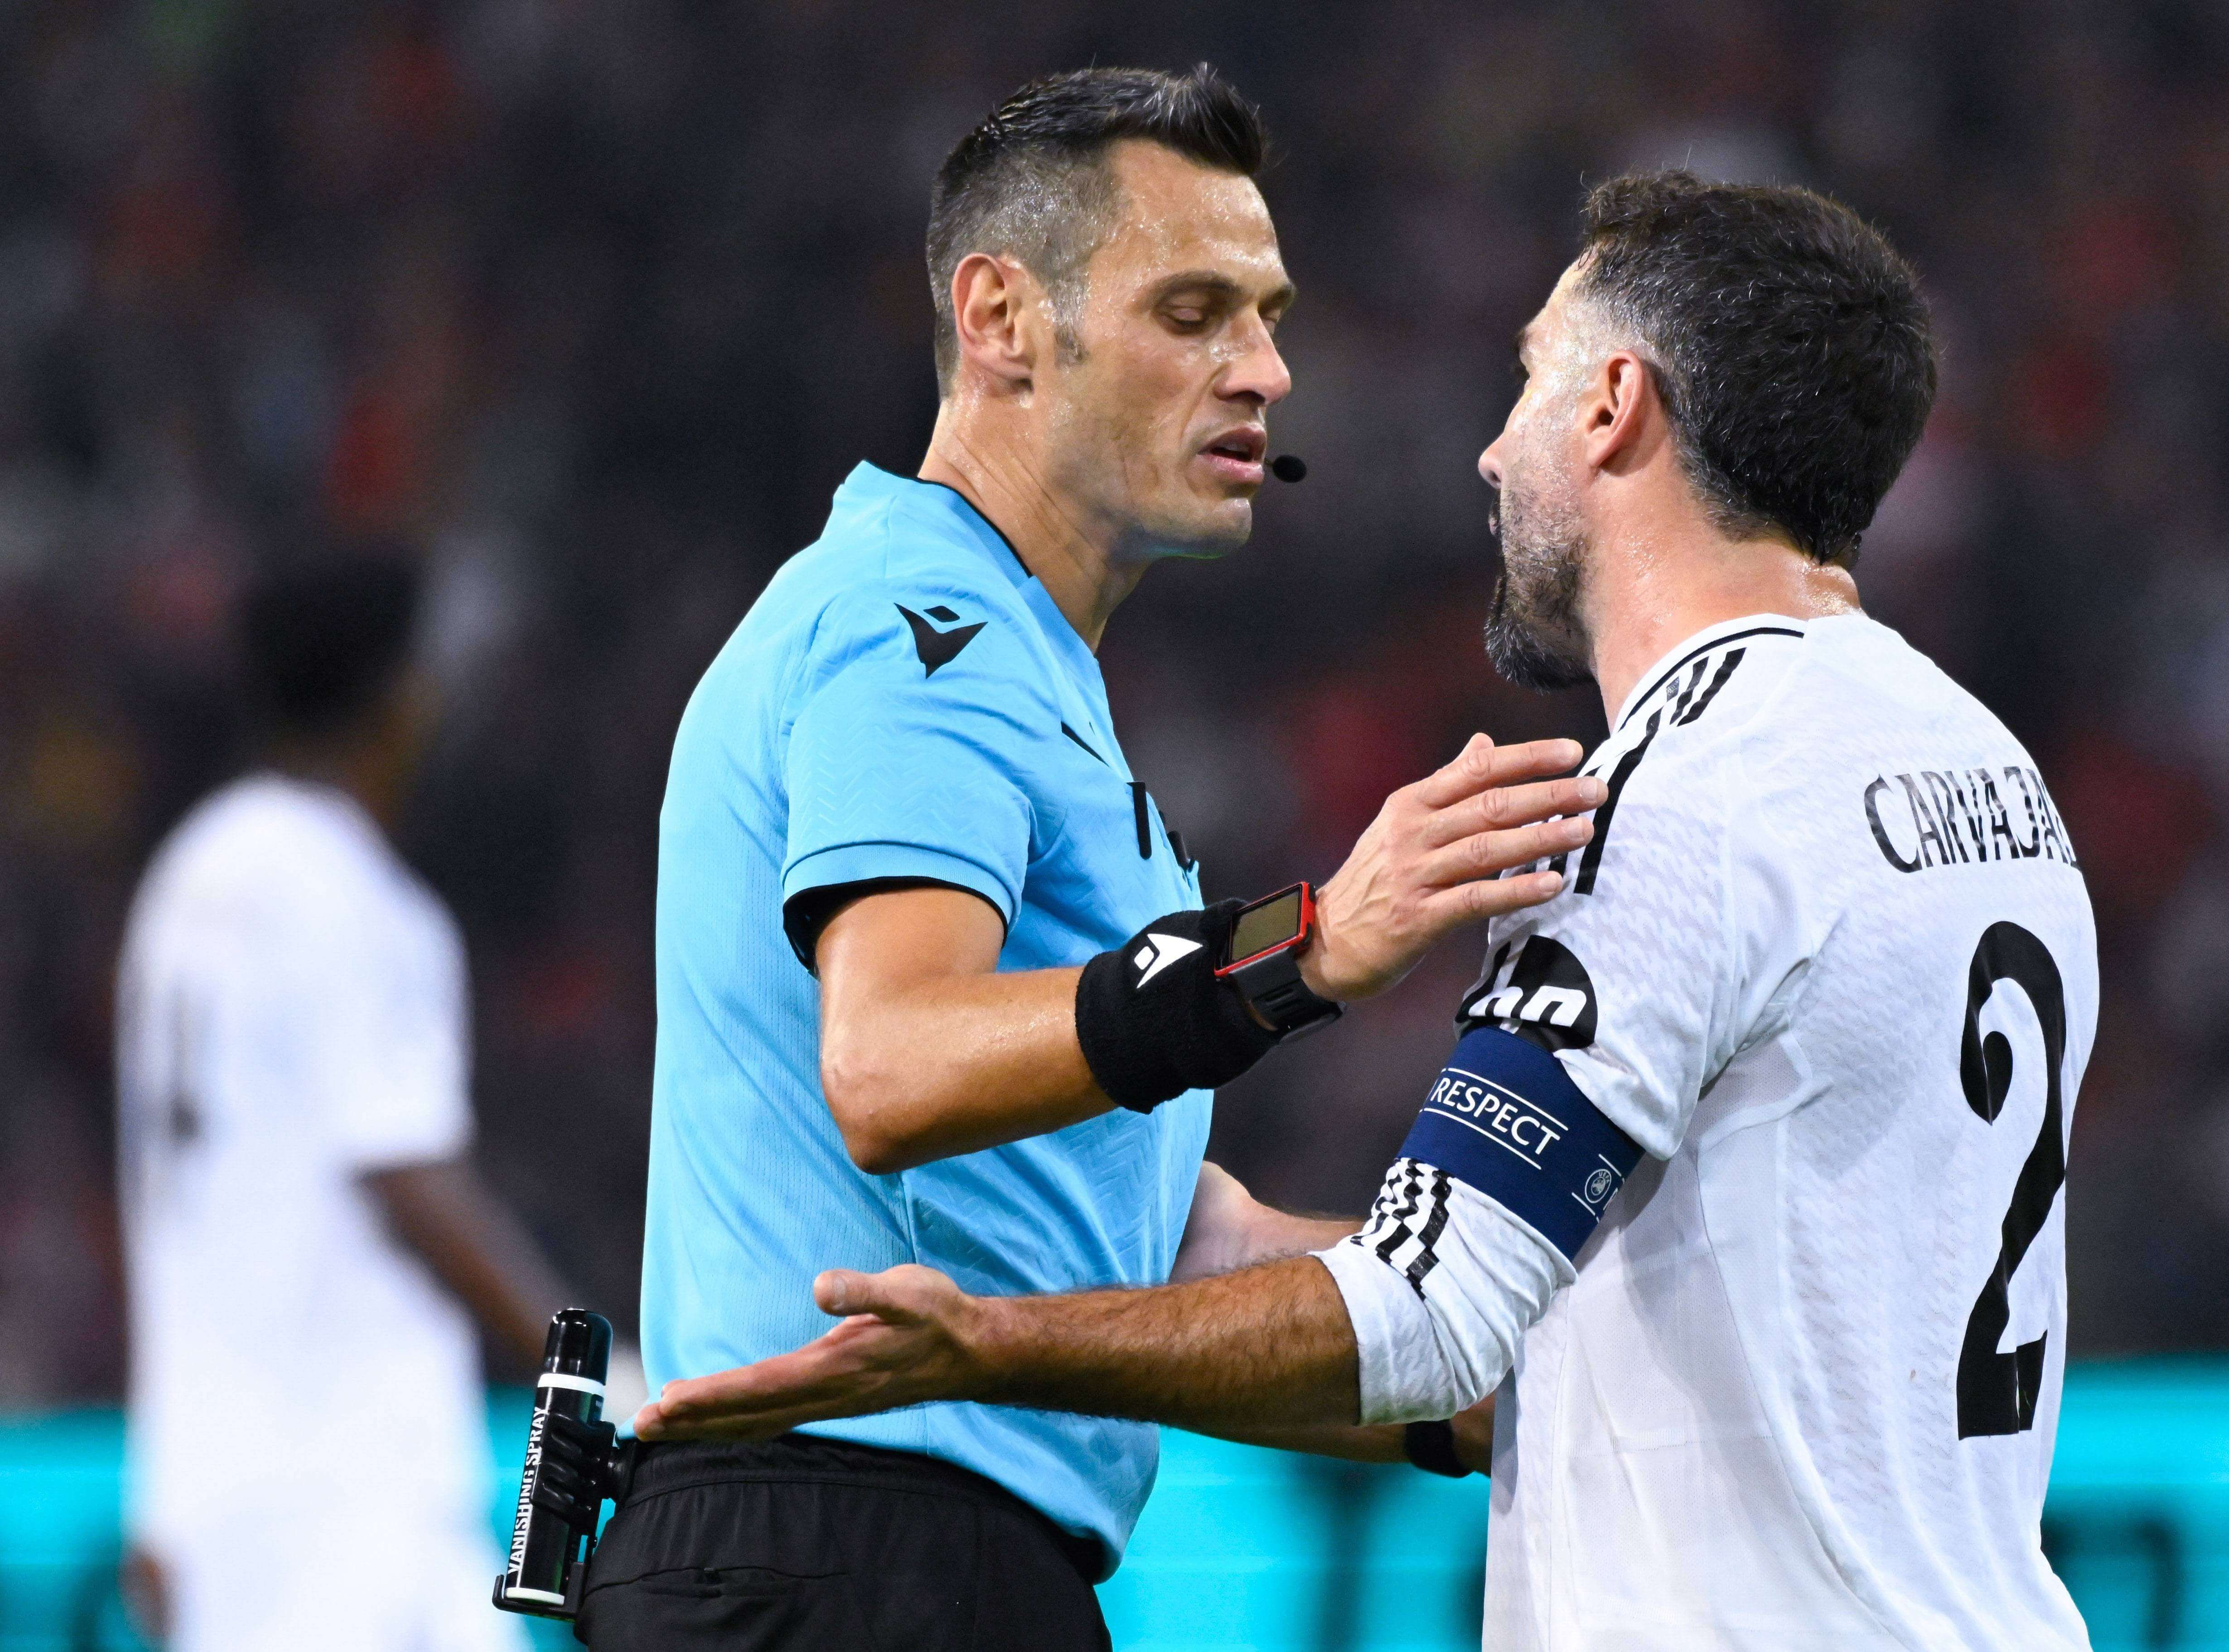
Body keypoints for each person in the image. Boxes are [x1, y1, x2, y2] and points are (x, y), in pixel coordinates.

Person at [639, 171, 2103, 1652]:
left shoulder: (1661, 804)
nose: (1487, 445)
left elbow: (1431, 1316)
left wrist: (983, 1347)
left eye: (1529, 373)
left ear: (1612, 404)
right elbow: (1524, 1342)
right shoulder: (1984, 778)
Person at [574, 64, 1599, 1650]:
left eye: (1265, 314)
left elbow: (1163, 1245)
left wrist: (1522, 1327)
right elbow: (893, 1063)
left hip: (890, 1559)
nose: (1262, 366)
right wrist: (1308, 943)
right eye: (1192, 310)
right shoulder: (920, 623)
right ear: (1000, 318)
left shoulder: (1033, 687)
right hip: (849, 1550)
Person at [116, 554, 627, 1652]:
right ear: (397, 693)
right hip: (344, 1505)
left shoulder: (185, 883)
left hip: (208, 1488)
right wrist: (584, 1362)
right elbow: (408, 1182)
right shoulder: (357, 902)